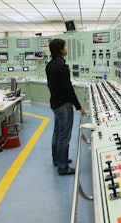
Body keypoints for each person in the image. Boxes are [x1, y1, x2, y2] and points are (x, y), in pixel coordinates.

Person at [45, 39, 86, 176]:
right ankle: (63, 167)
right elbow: (68, 89)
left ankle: (57, 159)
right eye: (65, 46)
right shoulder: (62, 66)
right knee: (64, 136)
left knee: (57, 133)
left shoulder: (50, 65)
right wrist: (78, 106)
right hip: (63, 105)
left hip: (55, 103)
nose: (67, 48)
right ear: (61, 49)